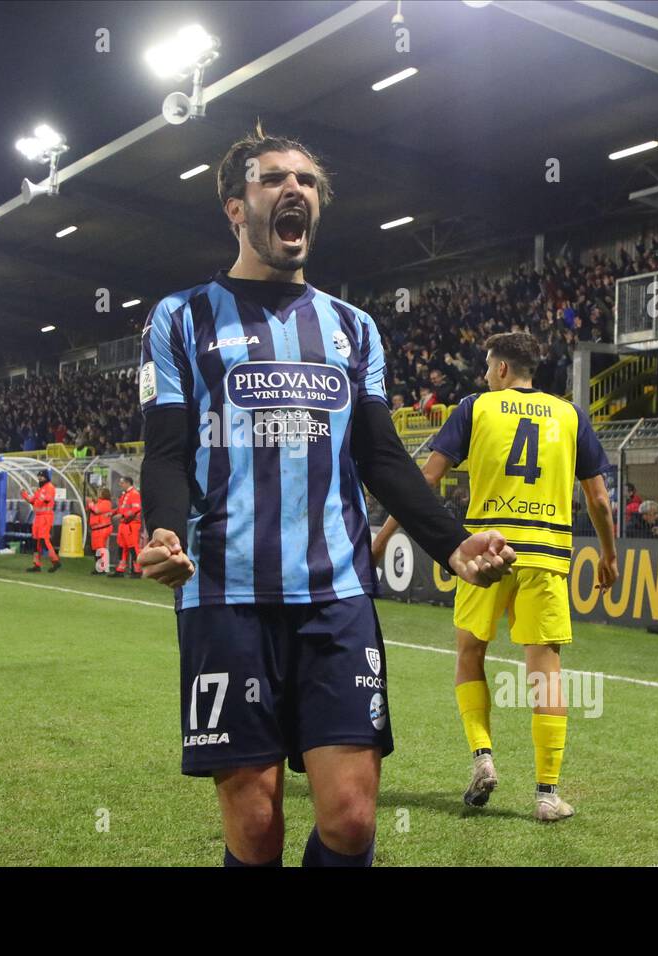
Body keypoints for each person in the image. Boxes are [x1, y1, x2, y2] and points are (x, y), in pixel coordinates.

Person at [137, 123, 515, 868]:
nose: (293, 191)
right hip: (223, 594)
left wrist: (453, 541)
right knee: (255, 820)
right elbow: (169, 450)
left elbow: (382, 457)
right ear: (235, 207)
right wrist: (161, 532)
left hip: (334, 592)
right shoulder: (180, 318)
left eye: (306, 182)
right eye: (273, 178)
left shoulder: (354, 330)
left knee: (349, 817)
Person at [372, 331, 618, 822]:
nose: (485, 374)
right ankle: (547, 794)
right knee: (545, 672)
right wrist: (609, 556)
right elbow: (598, 500)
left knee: (470, 653)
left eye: (487, 366)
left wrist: (382, 538)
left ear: (502, 369)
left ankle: (482, 755)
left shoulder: (476, 408)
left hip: (485, 555)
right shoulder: (570, 416)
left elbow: (425, 482)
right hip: (546, 554)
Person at [21, 470, 60, 573]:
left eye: (41, 477)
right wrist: (24, 494)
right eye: (38, 477)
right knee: (36, 541)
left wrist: (37, 493)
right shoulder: (41, 489)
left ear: (46, 477)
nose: (39, 479)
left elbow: (47, 499)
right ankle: (36, 565)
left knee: (44, 539)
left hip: (46, 517)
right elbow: (31, 501)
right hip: (38, 517)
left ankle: (55, 561)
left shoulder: (49, 487)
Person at [110, 476, 141, 577]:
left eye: (122, 483)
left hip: (131, 524)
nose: (120, 484)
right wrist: (113, 513)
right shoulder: (125, 495)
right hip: (124, 524)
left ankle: (137, 570)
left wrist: (123, 515)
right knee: (122, 547)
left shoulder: (134, 494)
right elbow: (121, 508)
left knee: (133, 547)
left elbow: (136, 509)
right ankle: (120, 569)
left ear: (128, 483)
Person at [86, 486, 114, 574]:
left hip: (102, 528)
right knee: (96, 549)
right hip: (96, 529)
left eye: (100, 492)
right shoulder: (99, 502)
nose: (98, 494)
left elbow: (97, 510)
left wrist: (90, 503)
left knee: (101, 549)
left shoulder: (106, 503)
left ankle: (102, 568)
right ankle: (99, 568)